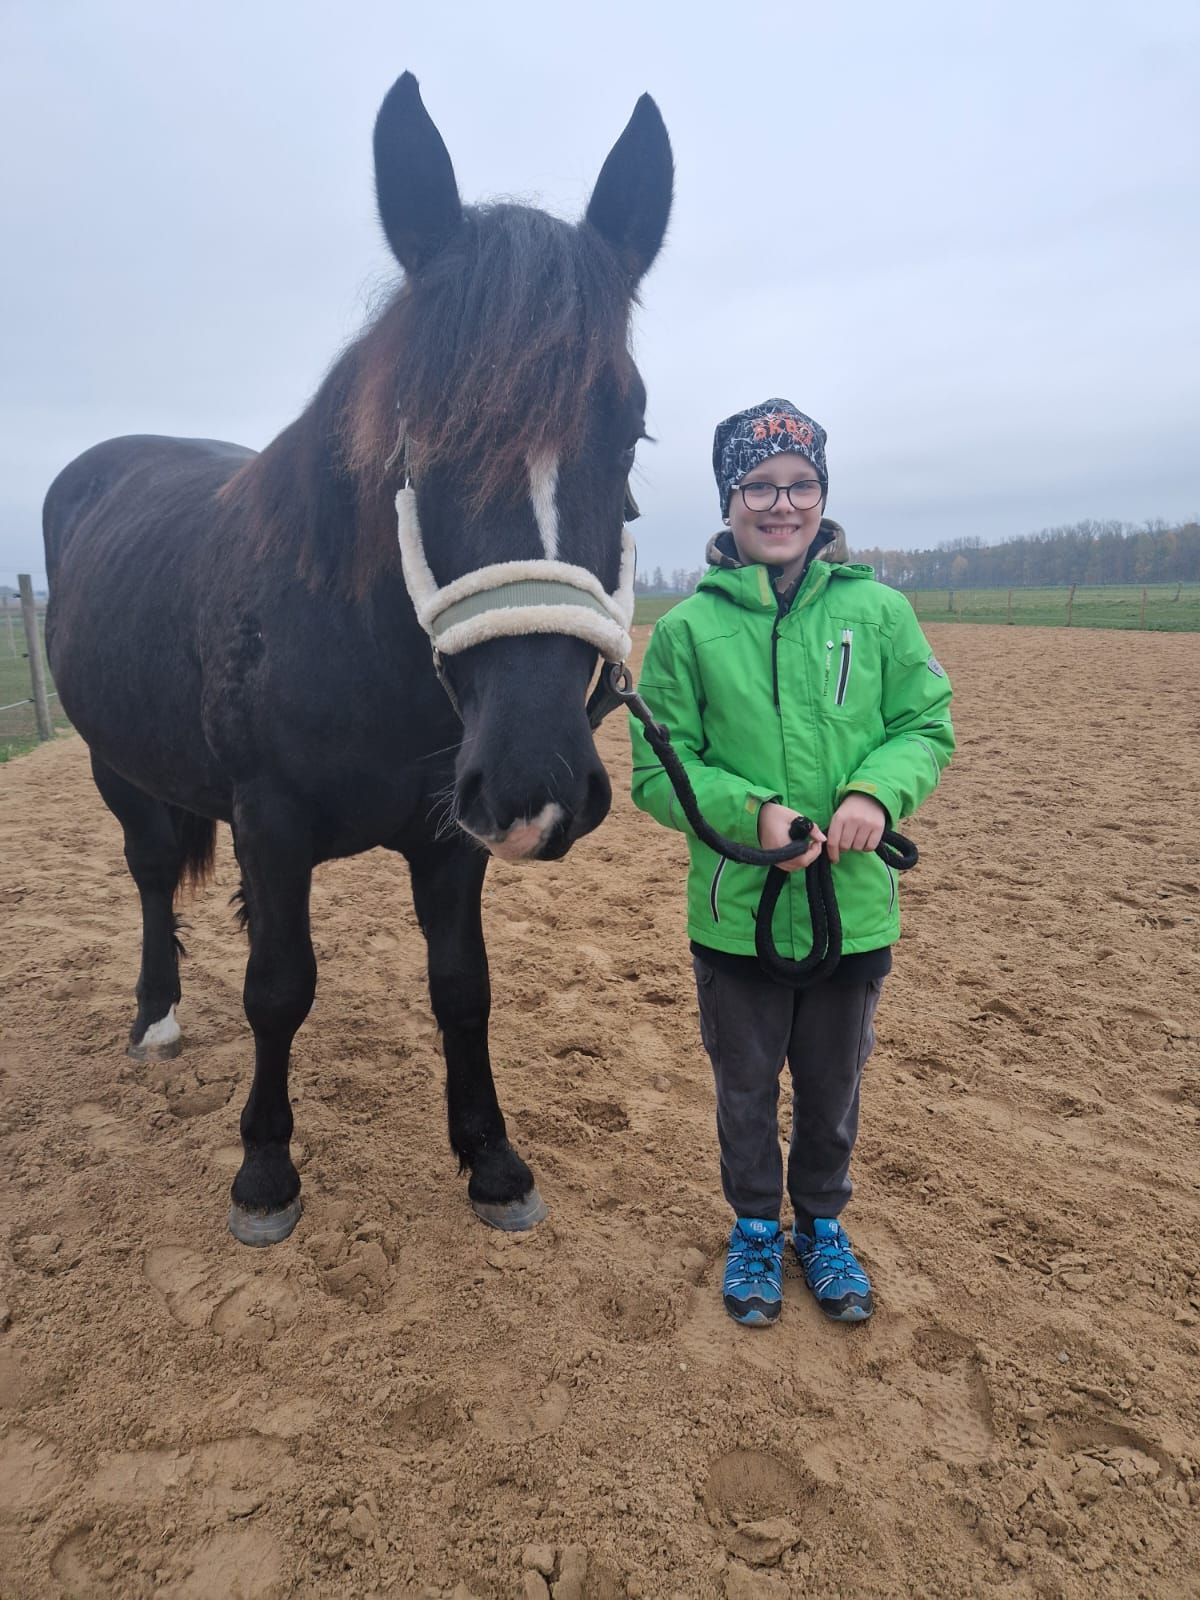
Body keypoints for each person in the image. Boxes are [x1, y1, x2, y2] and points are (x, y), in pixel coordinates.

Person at [630, 399, 954, 1326]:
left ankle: (820, 1223)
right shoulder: (687, 632)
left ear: (823, 494)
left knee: (832, 1082)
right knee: (743, 1086)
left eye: (800, 485)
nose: (783, 505)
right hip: (738, 911)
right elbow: (661, 766)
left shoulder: (880, 611)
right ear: (730, 500)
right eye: (760, 487)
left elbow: (926, 725)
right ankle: (756, 1231)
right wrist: (753, 815)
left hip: (855, 908)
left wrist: (872, 797)